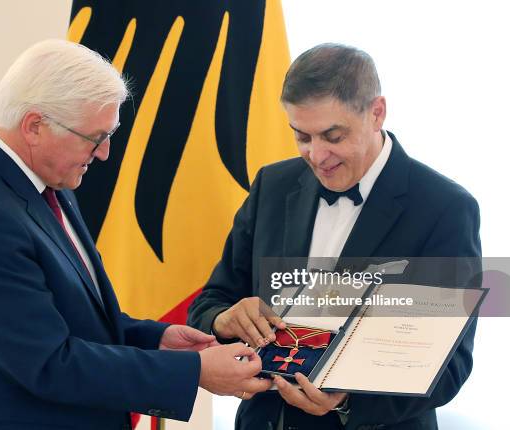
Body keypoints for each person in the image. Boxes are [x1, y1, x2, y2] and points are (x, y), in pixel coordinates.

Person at [0, 39, 271, 430]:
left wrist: (156, 338)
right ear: (35, 125)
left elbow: (72, 317)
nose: (104, 154)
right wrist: (193, 371)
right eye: (95, 137)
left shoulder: (46, 179)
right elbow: (49, 363)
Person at [188, 43, 481, 430]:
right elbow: (211, 301)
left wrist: (346, 402)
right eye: (302, 136)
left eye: (333, 135)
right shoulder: (272, 186)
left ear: (376, 113)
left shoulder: (445, 208)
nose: (316, 155)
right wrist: (224, 320)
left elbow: (451, 364)